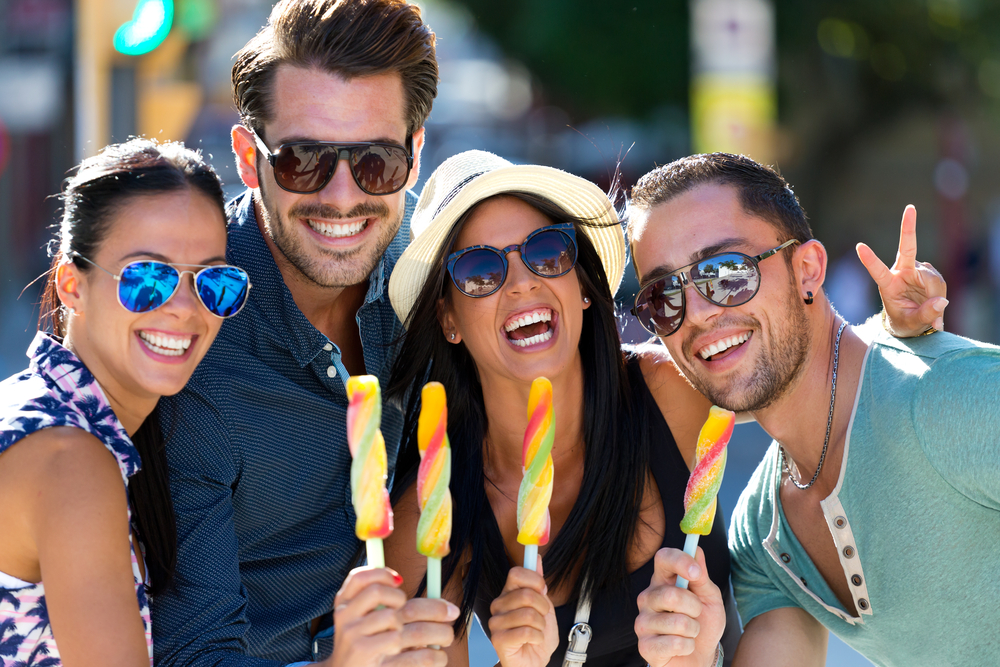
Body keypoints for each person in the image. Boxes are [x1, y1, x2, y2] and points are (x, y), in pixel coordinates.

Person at [378, 150, 939, 667]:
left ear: (582, 285)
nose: (522, 283)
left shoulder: (669, 391)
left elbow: (791, 371)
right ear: (447, 318)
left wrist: (897, 333)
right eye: (480, 272)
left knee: (786, 609)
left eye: (547, 253)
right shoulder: (435, 506)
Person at [150, 1, 455, 666]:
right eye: (302, 160)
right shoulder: (187, 338)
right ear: (245, 154)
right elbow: (195, 653)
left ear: (416, 149)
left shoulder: (437, 288)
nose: (343, 196)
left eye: (376, 160)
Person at [626, 153, 998, 667]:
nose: (700, 313)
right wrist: (691, 659)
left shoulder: (950, 399)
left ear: (807, 269)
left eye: (726, 272)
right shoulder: (762, 533)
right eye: (664, 296)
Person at [0, 138, 247, 665]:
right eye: (147, 277)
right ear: (72, 284)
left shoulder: (53, 420)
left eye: (214, 282)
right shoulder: (69, 460)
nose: (184, 309)